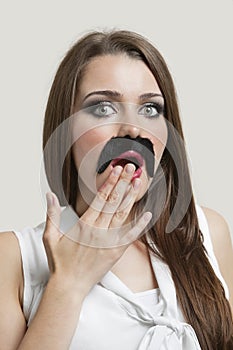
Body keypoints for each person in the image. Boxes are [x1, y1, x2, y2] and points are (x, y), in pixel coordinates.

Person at [0, 30, 232, 350]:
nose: (133, 129)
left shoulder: (208, 232)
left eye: (150, 109)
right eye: (103, 108)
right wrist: (68, 286)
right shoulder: (12, 258)